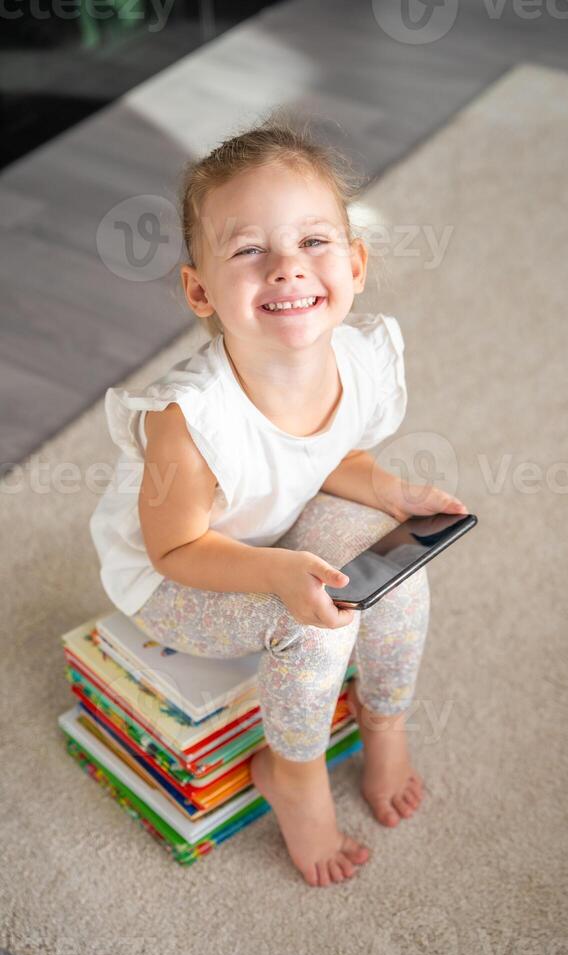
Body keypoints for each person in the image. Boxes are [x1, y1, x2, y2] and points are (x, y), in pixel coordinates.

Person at [89, 108, 468, 887]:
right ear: (199, 290)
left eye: (313, 242)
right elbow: (175, 548)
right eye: (250, 250)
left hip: (277, 531)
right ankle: (290, 774)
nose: (289, 269)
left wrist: (393, 490)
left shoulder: (358, 359)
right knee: (320, 625)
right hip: (179, 580)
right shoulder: (190, 420)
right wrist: (277, 575)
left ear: (355, 264)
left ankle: (383, 720)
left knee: (394, 565)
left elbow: (328, 457)